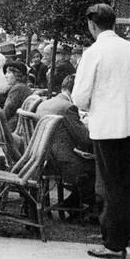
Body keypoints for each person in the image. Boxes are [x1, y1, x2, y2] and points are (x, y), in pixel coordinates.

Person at [71, 3, 130, 259]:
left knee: (108, 186)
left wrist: (96, 104)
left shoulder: (93, 52)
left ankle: (112, 243)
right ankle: (120, 240)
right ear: (114, 23)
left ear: (91, 25)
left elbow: (79, 96)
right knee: (124, 185)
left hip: (106, 126)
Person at [35, 81, 95, 211]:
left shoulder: (45, 103)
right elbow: (85, 139)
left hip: (45, 157)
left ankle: (72, 203)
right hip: (62, 162)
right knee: (98, 168)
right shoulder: (68, 107)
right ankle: (86, 206)